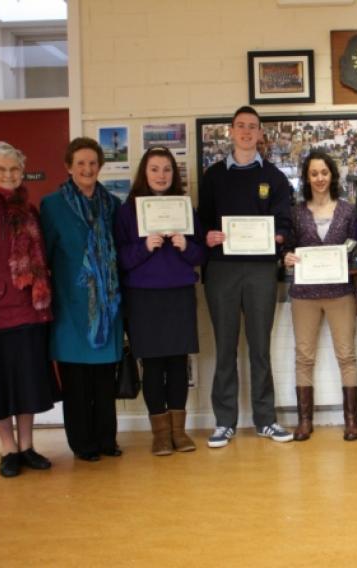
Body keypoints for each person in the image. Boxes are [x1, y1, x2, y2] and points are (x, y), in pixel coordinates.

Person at [198, 105, 293, 447]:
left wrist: (278, 236)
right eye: (241, 126)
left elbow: (284, 222)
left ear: (260, 133)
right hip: (222, 268)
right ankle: (225, 422)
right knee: (225, 348)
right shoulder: (213, 176)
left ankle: (265, 420)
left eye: (253, 127)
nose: (247, 132)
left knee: (260, 347)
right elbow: (202, 222)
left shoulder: (275, 177)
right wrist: (207, 235)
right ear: (231, 131)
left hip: (261, 270)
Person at [114, 147, 205, 455]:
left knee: (179, 364)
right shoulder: (127, 212)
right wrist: (144, 247)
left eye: (167, 169)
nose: (161, 175)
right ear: (144, 173)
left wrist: (184, 246)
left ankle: (179, 433)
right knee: (152, 367)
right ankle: (160, 435)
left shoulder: (185, 208)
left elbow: (199, 255)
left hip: (178, 294)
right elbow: (120, 258)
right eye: (155, 169)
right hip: (144, 297)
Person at [40, 137, 124, 461]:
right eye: (80, 164)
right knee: (76, 382)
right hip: (70, 305)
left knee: (105, 380)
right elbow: (44, 256)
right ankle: (82, 444)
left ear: (100, 166)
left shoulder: (113, 204)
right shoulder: (52, 205)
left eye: (92, 163)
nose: (87, 169)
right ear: (68, 167)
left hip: (109, 306)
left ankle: (106, 439)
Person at [0, 142, 56, 477]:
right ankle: (7, 450)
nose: (8, 175)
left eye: (14, 169)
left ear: (22, 172)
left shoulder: (28, 209)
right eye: (1, 169)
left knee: (28, 384)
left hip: (30, 313)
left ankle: (27, 446)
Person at [283, 150, 357, 441]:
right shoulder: (295, 212)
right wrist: (287, 257)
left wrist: (351, 265)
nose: (319, 178)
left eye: (324, 173)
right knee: (304, 358)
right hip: (304, 295)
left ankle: (351, 421)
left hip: (340, 293)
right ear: (307, 177)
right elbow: (287, 248)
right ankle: (305, 421)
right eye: (314, 173)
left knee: (347, 356)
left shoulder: (347, 210)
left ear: (332, 176)